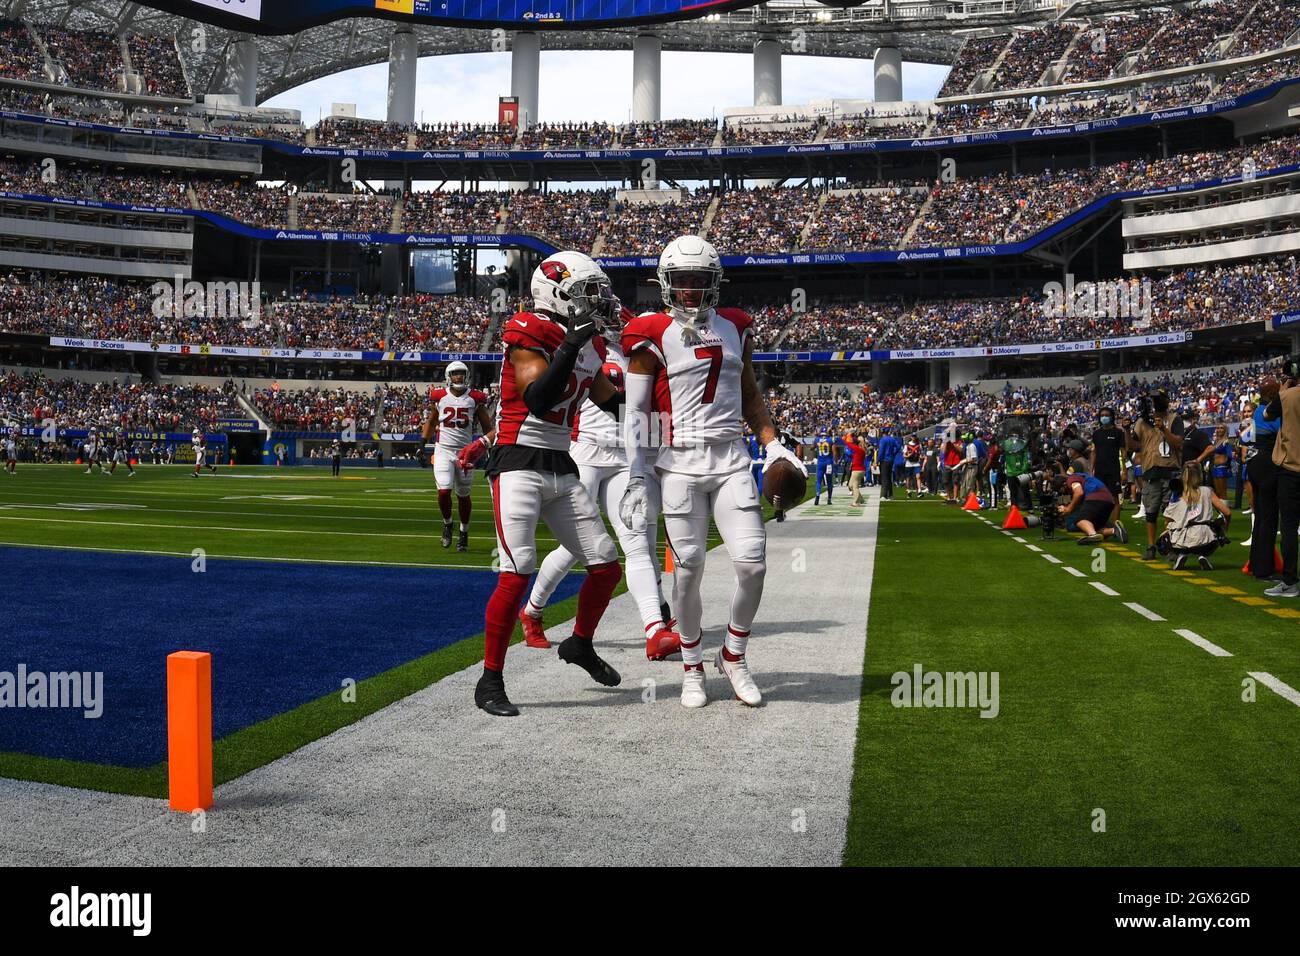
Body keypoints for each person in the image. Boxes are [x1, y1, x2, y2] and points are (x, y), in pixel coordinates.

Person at [620, 235, 801, 709]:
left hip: (731, 458)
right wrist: (637, 474)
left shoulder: (737, 325)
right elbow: (638, 412)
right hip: (678, 463)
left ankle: (734, 655)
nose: (691, 292)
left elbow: (749, 394)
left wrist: (773, 442)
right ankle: (691, 667)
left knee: (752, 564)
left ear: (715, 282)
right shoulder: (651, 330)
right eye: (682, 282)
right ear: (666, 284)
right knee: (688, 571)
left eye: (700, 281)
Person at [468, 251, 627, 717]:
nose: (596, 303)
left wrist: (665, 402)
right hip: (518, 461)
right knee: (516, 572)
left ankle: (579, 643)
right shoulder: (527, 327)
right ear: (557, 293)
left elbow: (611, 402)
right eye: (586, 294)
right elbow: (537, 399)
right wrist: (571, 346)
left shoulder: (591, 345)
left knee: (605, 564)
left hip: (562, 463)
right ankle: (490, 680)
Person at [517, 309, 678, 660]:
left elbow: (645, 411)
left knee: (636, 543)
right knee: (577, 548)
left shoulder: (646, 355)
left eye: (624, 323)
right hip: (586, 452)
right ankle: (532, 610)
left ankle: (655, 628)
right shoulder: (590, 348)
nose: (620, 329)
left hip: (625, 457)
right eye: (614, 322)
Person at [422, 362, 493, 551]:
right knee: (444, 491)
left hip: (466, 452)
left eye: (461, 374)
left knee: (463, 495)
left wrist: (490, 449)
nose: (459, 377)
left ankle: (464, 531)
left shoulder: (475, 398)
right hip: (443, 449)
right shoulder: (439, 396)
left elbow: (487, 427)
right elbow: (431, 420)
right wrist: (421, 443)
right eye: (455, 374)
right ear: (448, 376)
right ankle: (448, 524)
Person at [1125, 390, 1184, 560]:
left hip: (1170, 470)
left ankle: (1170, 545)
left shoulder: (1174, 419)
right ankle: (1151, 546)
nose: (1156, 404)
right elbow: (1131, 446)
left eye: (1159, 400)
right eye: (1154, 400)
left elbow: (1178, 443)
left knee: (1170, 512)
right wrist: (1126, 430)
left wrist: (1163, 428)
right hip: (1151, 471)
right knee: (1151, 512)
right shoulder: (1143, 422)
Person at [1266, 373, 1300, 597]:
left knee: (1288, 527)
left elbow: (1268, 414)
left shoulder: (1287, 395)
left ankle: (1289, 579)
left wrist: (1283, 389)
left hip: (1291, 468)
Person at [1164, 461, 1231, 571]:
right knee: (1217, 526)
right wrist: (1225, 529)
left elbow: (1167, 519)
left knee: (1169, 526)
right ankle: (1203, 555)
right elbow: (1227, 512)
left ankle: (1181, 553)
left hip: (1181, 538)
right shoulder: (1207, 491)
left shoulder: (1177, 493)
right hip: (1205, 536)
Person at [1249, 378, 1282, 583]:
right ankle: (1264, 569)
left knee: (1261, 516)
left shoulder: (1256, 411)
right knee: (1269, 518)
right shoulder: (1272, 412)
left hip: (1256, 463)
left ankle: (1256, 563)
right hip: (1269, 462)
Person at [1057, 470, 1127, 545]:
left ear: (1064, 484)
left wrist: (1068, 509)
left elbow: (1079, 493)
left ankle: (1093, 535)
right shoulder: (1081, 477)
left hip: (1096, 496)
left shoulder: (1071, 478)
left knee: (1080, 520)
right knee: (1095, 528)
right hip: (1108, 500)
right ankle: (1114, 530)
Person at [1089, 406, 1126, 526]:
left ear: (1111, 417)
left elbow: (1123, 452)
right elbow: (1094, 452)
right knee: (1100, 498)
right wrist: (1091, 470)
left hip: (1113, 470)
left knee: (1114, 498)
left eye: (1107, 415)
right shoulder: (1096, 434)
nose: (1104, 417)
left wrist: (1124, 470)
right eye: (1102, 415)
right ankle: (1101, 523)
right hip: (1099, 471)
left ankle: (1117, 525)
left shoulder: (1118, 433)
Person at [842, 430, 868, 506]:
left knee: (854, 486)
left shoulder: (858, 449)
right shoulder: (861, 450)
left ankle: (856, 502)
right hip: (858, 470)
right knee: (850, 485)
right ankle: (861, 499)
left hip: (857, 470)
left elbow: (848, 444)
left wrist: (846, 437)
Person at [813, 428, 837, 505]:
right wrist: (835, 460)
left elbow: (811, 448)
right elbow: (834, 451)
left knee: (819, 481)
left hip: (820, 462)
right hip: (828, 462)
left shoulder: (817, 439)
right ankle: (829, 499)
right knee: (829, 482)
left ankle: (817, 495)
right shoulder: (830, 440)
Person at [1210, 424, 1232, 501]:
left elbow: (1230, 455)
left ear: (1225, 430)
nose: (1219, 430)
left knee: (1223, 492)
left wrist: (1226, 465)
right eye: (1218, 428)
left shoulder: (1226, 441)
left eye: (1221, 428)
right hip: (1215, 467)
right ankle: (1221, 510)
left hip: (1222, 468)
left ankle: (1225, 510)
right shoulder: (1216, 441)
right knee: (1218, 491)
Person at [876, 426, 900, 500]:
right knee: (889, 477)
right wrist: (894, 453)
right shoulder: (892, 439)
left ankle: (884, 495)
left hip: (884, 460)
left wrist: (877, 461)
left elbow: (881, 451)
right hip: (891, 459)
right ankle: (890, 495)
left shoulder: (883, 440)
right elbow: (898, 446)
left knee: (884, 478)